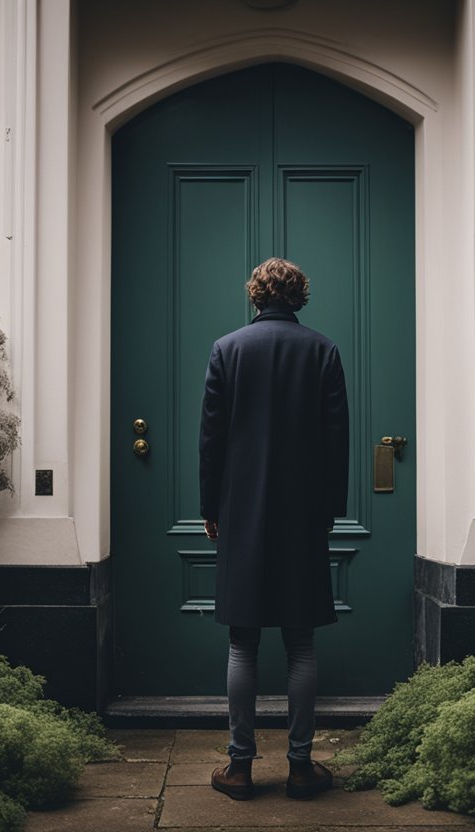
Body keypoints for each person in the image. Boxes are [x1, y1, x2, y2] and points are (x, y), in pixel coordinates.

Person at [199, 257, 350, 801]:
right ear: (298, 296)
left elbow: (211, 439)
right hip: (303, 516)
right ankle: (301, 768)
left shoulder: (227, 349)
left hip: (241, 512)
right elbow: (337, 442)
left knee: (242, 643)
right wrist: (330, 509)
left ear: (256, 295)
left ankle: (239, 769)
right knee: (301, 643)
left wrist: (210, 506)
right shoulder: (323, 350)